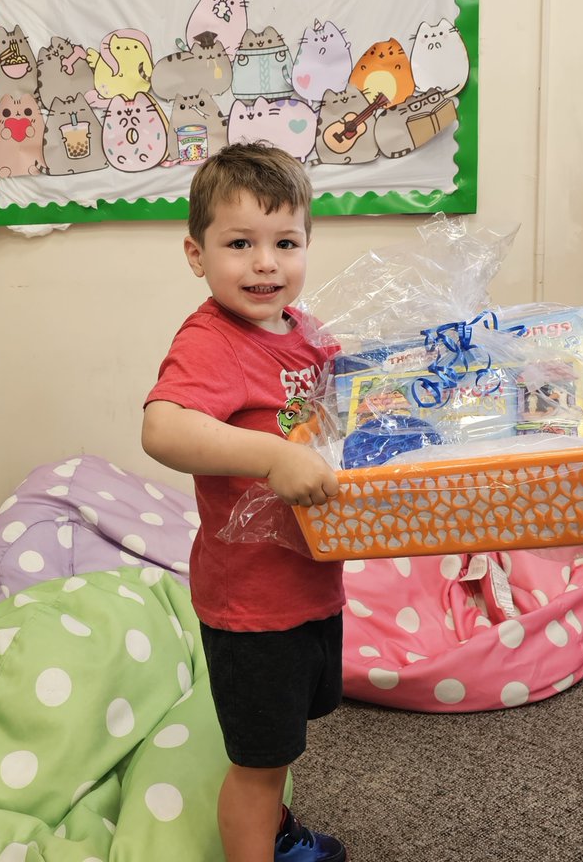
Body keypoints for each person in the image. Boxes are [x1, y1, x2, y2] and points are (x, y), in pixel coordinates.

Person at [141, 142, 346, 862]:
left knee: (286, 735)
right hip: (253, 601)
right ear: (197, 255)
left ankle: (273, 831)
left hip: (311, 579)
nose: (265, 262)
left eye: (284, 242)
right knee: (258, 762)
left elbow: (356, 398)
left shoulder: (305, 331)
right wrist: (271, 456)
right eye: (239, 243)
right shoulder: (210, 341)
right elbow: (163, 428)